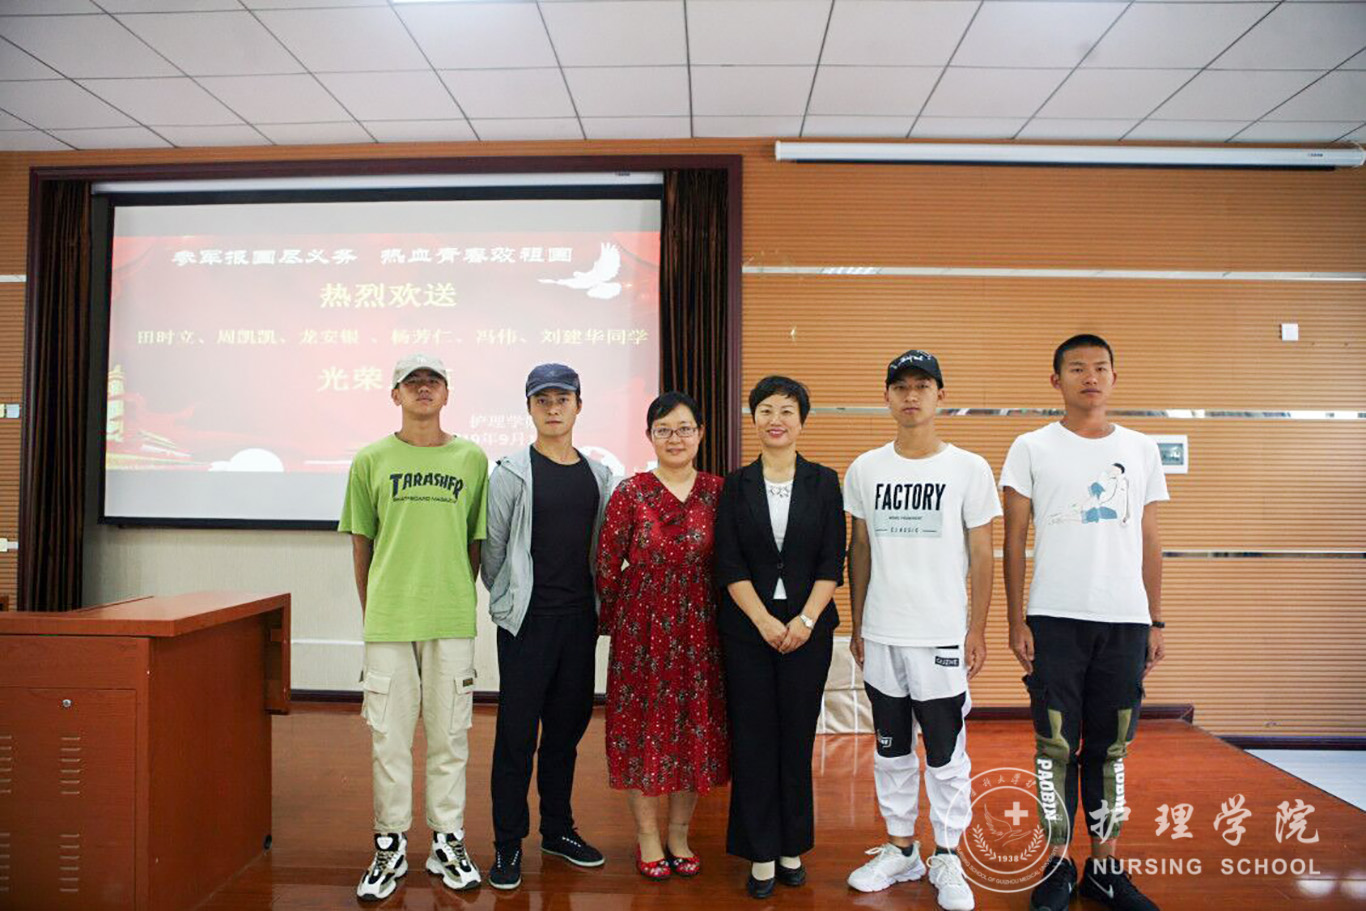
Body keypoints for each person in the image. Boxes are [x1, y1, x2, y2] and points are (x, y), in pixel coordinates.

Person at [1001, 334, 1168, 911]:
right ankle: (1055, 865)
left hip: (1124, 620)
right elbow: (1014, 540)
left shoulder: (1141, 449)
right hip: (1054, 620)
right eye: (1076, 368)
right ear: (1057, 380)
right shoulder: (1030, 446)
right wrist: (1016, 619)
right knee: (1054, 746)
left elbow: (1149, 538)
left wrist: (1155, 620)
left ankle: (1105, 867)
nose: (1089, 377)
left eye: (1100, 368)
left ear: (1115, 377)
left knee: (1111, 748)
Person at [844, 350, 1000, 911]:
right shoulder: (865, 469)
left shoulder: (969, 468)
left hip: (941, 635)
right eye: (901, 387)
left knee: (944, 752)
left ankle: (948, 855)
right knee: (890, 751)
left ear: (940, 396)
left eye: (922, 386)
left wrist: (976, 629)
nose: (911, 396)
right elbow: (860, 549)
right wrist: (859, 625)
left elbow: (981, 555)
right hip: (883, 633)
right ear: (887, 397)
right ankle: (901, 848)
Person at [339, 353, 488, 901]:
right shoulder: (370, 459)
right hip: (389, 622)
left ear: (447, 393)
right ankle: (390, 844)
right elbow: (362, 543)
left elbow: (475, 542)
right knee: (390, 740)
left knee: (451, 737)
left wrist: (453, 593)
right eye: (412, 382)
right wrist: (374, 610)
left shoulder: (471, 458)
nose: (423, 389)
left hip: (450, 618)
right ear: (395, 394)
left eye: (433, 381)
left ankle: (447, 842)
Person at [481, 364, 617, 889]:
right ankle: (507, 843)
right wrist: (514, 602)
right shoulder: (511, 473)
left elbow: (601, 549)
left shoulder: (599, 476)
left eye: (563, 399)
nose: (553, 408)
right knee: (516, 737)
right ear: (530, 408)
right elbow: (493, 553)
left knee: (564, 735)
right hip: (527, 626)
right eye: (543, 400)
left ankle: (558, 830)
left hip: (579, 624)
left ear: (579, 406)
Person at [714, 376, 845, 899]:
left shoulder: (824, 482)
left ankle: (793, 847)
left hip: (808, 629)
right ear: (754, 419)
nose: (776, 419)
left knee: (796, 736)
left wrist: (805, 621)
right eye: (766, 409)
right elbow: (729, 563)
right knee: (754, 739)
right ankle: (761, 852)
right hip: (749, 629)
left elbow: (831, 561)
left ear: (801, 421)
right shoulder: (735, 485)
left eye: (787, 410)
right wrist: (764, 621)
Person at [595, 391, 729, 881]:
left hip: (702, 627)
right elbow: (607, 563)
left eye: (684, 428)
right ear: (649, 436)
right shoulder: (630, 492)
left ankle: (679, 833)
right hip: (642, 629)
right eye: (664, 430)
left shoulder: (719, 492)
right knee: (641, 728)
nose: (675, 438)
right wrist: (616, 623)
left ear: (700, 434)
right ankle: (647, 835)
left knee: (693, 729)